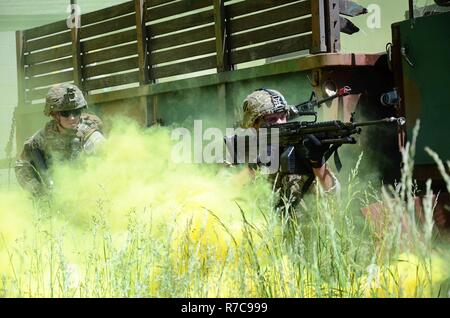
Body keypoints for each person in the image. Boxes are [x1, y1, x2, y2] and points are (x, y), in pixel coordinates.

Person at [241, 88, 340, 212]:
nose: (281, 123)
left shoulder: (299, 149)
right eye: (272, 119)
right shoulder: (244, 150)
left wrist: (317, 162)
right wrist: (255, 166)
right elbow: (224, 190)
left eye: (283, 116)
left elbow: (333, 196)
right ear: (253, 125)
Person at [15, 83, 105, 197]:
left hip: (85, 195)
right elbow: (22, 166)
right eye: (65, 113)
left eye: (76, 112)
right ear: (54, 115)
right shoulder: (41, 139)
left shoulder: (91, 137)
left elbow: (107, 167)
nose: (72, 118)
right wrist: (39, 192)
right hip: (53, 195)